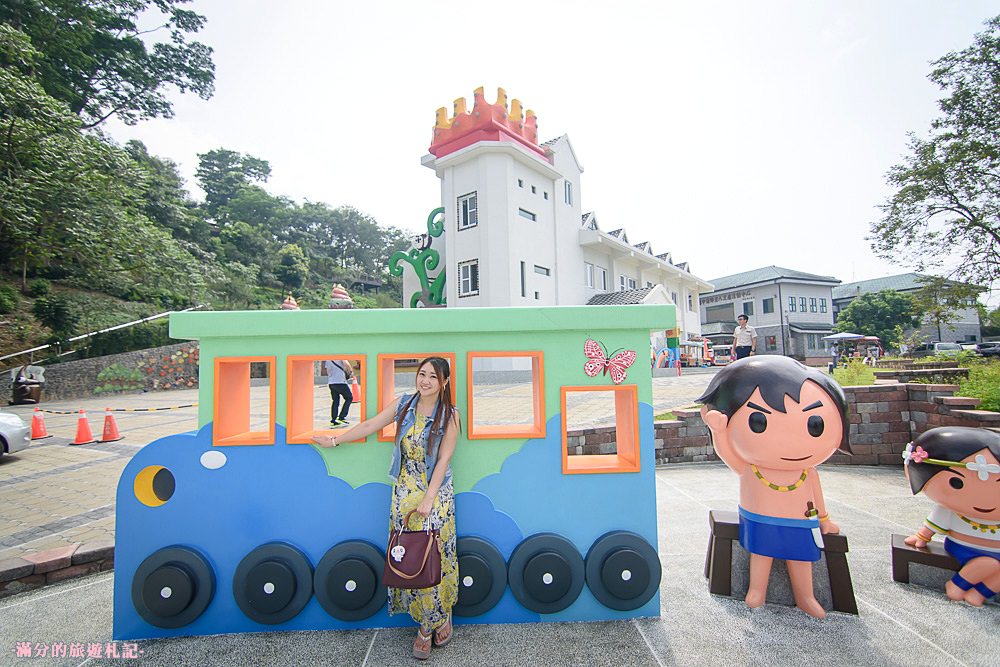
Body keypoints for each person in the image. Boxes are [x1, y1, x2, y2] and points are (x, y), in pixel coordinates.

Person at [312, 357, 460, 659]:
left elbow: (444, 459)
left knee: (435, 554)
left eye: (433, 376)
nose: (426, 381)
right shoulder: (404, 404)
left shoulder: (450, 415)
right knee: (411, 556)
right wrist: (335, 440)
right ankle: (426, 618)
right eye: (422, 374)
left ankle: (433, 623)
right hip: (403, 492)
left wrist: (429, 498)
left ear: (444, 383)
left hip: (436, 495)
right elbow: (370, 425)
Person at [697, 355, 850, 618]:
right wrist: (719, 432)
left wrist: (824, 519)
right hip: (760, 517)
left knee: (801, 556)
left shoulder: (807, 472)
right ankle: (757, 590)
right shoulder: (752, 468)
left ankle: (806, 596)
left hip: (801, 520)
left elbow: (817, 495)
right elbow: (729, 457)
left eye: (815, 425)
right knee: (761, 553)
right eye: (760, 422)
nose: (789, 441)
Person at [902, 427, 1000, 606]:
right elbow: (933, 523)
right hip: (964, 547)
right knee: (990, 564)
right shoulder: (949, 510)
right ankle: (956, 585)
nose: (983, 499)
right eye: (957, 482)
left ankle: (978, 593)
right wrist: (922, 536)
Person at [324, 359, 355, 426]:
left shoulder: (328, 359)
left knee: (335, 401)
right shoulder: (341, 356)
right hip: (340, 382)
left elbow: (328, 371)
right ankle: (341, 417)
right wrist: (351, 372)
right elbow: (347, 364)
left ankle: (334, 419)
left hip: (331, 382)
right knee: (349, 398)